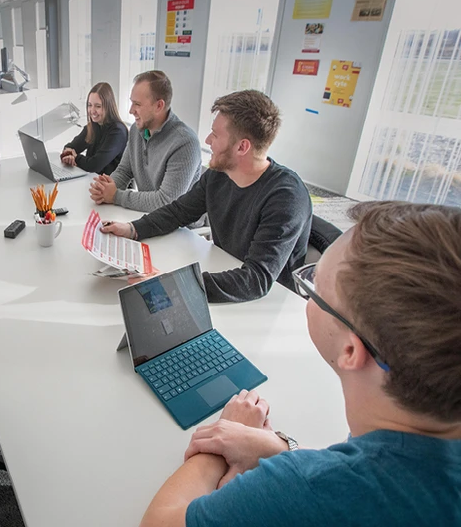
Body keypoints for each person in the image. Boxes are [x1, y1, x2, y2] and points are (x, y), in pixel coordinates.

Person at [139, 201, 461, 527]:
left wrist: (217, 445)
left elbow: (157, 522)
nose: (308, 292)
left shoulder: (305, 489)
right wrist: (282, 447)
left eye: (314, 286)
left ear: (351, 350)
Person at [102, 90, 312, 302]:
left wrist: (174, 285)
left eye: (216, 134)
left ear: (242, 147)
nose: (207, 140)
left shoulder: (287, 198)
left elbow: (256, 279)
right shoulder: (218, 175)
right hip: (222, 276)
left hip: (265, 304)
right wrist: (133, 229)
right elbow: (179, 212)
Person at [89, 70, 201, 212]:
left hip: (181, 227)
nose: (131, 110)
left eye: (137, 104)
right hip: (147, 216)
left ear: (159, 106)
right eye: (131, 103)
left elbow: (166, 202)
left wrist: (116, 196)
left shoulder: (185, 143)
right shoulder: (137, 130)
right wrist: (105, 188)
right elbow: (124, 171)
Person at [60, 82, 128, 175]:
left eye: (98, 106)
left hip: (112, 186)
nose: (92, 111)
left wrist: (75, 157)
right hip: (93, 182)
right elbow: (70, 147)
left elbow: (94, 165)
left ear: (108, 107)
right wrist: (69, 154)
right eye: (89, 105)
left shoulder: (118, 132)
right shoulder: (92, 126)